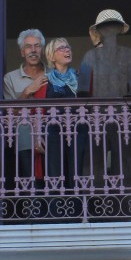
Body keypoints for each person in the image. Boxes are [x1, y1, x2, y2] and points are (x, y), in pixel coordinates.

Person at [78, 9, 131, 190]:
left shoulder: (130, 55)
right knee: (94, 161)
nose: (109, 30)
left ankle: (126, 205)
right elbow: (82, 91)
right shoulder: (89, 56)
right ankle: (93, 205)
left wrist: (123, 104)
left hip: (122, 116)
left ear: (119, 29)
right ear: (100, 30)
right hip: (96, 117)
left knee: (124, 161)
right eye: (106, 26)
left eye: (113, 25)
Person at [3, 28, 48, 190]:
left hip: (52, 137)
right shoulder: (10, 78)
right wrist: (28, 91)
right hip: (24, 142)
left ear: (42, 50)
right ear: (22, 52)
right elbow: (8, 113)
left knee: (54, 185)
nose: (33, 50)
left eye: (37, 46)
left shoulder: (53, 75)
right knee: (29, 187)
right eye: (28, 47)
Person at [45, 38, 87, 191]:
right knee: (55, 171)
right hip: (53, 131)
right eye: (61, 48)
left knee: (77, 171)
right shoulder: (45, 80)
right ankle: (58, 210)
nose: (67, 50)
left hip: (79, 129)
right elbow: (38, 109)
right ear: (51, 56)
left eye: (68, 47)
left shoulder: (79, 77)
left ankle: (78, 210)